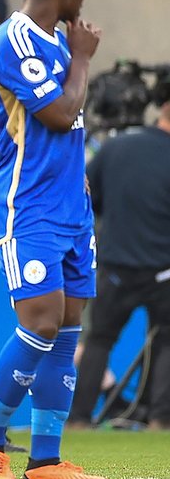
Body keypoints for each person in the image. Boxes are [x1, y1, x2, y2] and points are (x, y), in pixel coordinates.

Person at [0, 0, 108, 479]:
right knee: (41, 322)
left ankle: (45, 460)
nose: (83, 1)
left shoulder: (55, 40)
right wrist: (84, 58)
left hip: (71, 204)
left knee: (68, 329)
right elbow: (56, 113)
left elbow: (68, 127)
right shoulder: (14, 39)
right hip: (30, 207)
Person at [69, 93, 170, 429]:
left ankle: (79, 419)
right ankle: (159, 419)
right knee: (166, 339)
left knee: (99, 340)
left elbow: (86, 195)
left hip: (115, 267)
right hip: (163, 270)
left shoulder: (116, 147)